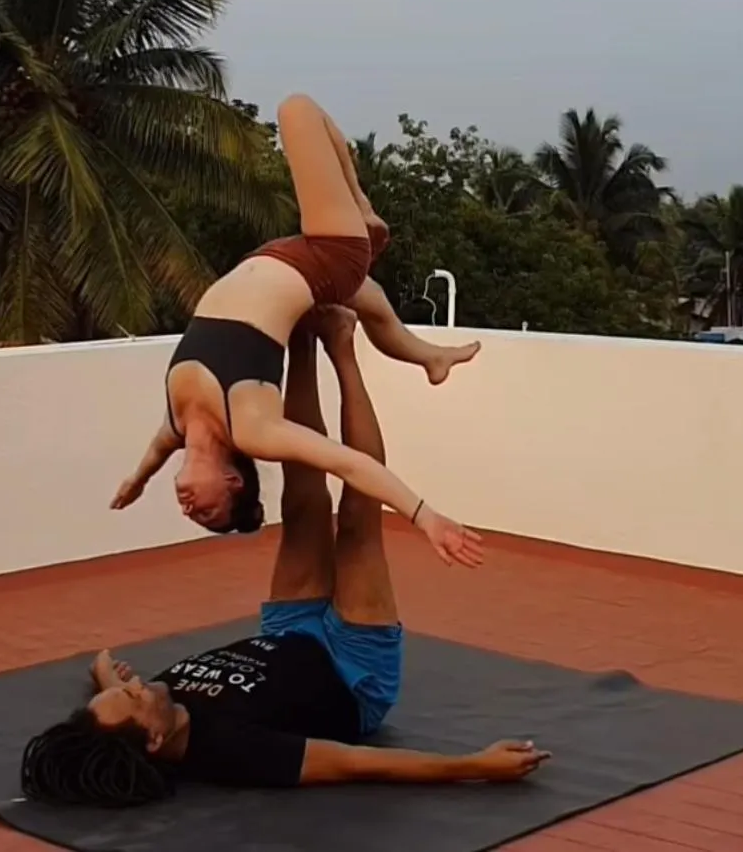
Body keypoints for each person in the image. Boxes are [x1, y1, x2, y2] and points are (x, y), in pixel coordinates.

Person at [26, 310, 547, 806]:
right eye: (134, 696)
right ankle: (342, 346)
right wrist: (475, 766)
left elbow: (116, 696)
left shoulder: (149, 708)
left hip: (284, 632)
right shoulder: (233, 752)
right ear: (157, 741)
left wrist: (104, 678)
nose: (137, 683)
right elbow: (354, 764)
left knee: (302, 495)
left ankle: (304, 339)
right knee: (360, 518)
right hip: (352, 673)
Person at [110, 94, 482, 569]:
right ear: (234, 482)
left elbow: (152, 455)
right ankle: (363, 208)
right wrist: (424, 515)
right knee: (297, 111)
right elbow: (348, 463)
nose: (189, 509)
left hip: (286, 259)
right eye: (207, 510)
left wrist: (136, 483)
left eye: (193, 516)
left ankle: (428, 356)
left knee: (371, 307)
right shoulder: (254, 428)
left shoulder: (177, 427)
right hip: (328, 258)